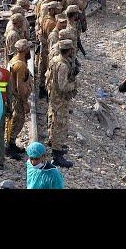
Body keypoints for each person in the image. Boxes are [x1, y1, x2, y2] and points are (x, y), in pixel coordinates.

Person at [45, 39, 77, 168]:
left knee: (55, 122)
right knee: (60, 124)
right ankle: (57, 155)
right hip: (60, 99)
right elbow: (63, 86)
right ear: (68, 50)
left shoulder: (55, 60)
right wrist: (74, 84)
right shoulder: (63, 65)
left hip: (54, 97)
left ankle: (55, 146)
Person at [7, 39, 32, 156]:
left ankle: (11, 144)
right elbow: (20, 86)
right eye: (28, 49)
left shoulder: (14, 60)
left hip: (13, 96)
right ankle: (9, 146)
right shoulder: (20, 65)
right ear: (25, 50)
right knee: (18, 120)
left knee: (15, 119)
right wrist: (25, 102)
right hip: (18, 98)